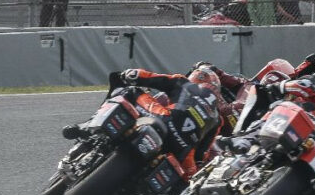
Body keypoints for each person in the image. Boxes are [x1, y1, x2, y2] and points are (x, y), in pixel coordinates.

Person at [63, 67, 225, 180]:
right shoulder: (218, 119)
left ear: (196, 77)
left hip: (163, 119)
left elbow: (151, 78)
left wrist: (131, 74)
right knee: (187, 178)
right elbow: (201, 154)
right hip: (182, 150)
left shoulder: (183, 83)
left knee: (130, 92)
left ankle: (86, 127)